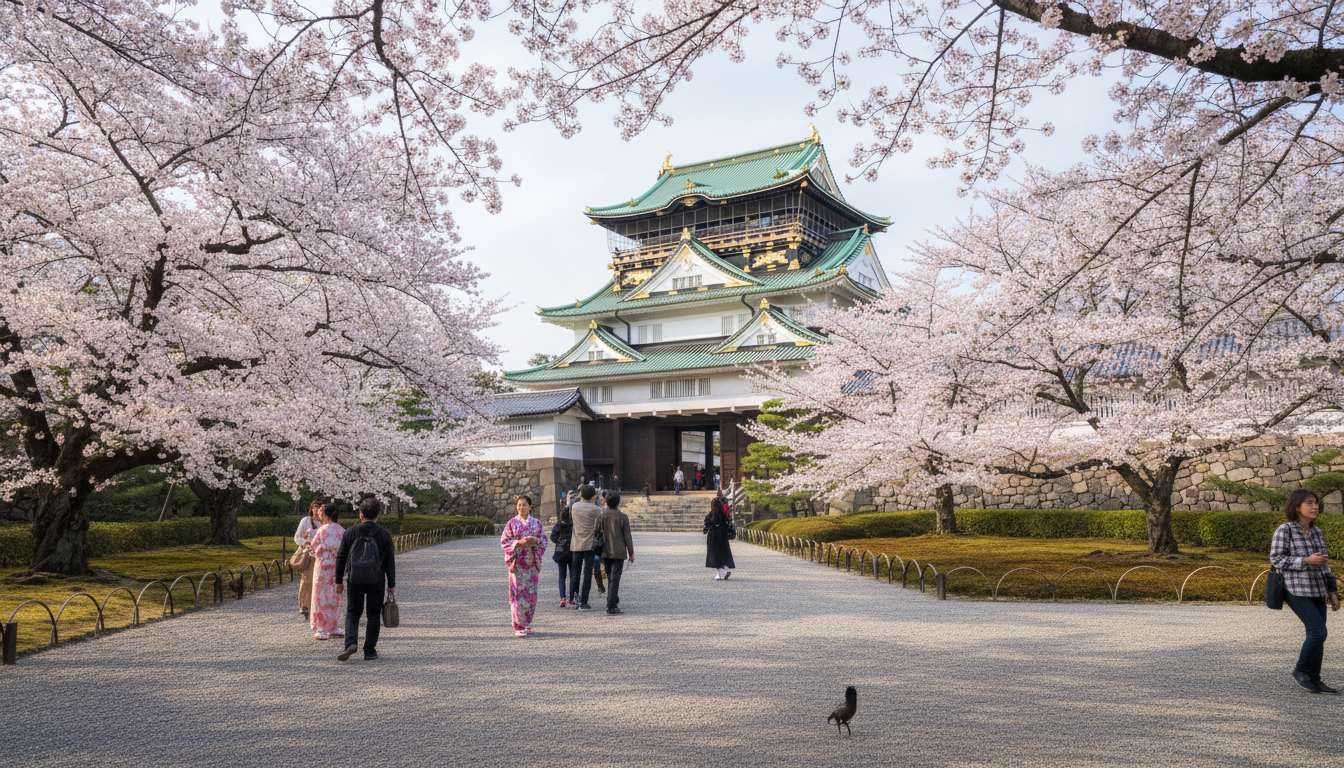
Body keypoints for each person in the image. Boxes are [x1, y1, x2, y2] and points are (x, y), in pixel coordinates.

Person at [1271, 488, 1340, 693]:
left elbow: (1325, 565)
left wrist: (1333, 593)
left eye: (1316, 502)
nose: (1315, 506)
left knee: (1319, 634)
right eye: (1309, 503)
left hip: (1317, 590)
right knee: (1318, 632)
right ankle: (1301, 671)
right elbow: (1276, 559)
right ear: (1296, 506)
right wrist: (1306, 560)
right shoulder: (1285, 530)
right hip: (1295, 589)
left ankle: (1315, 678)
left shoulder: (1317, 531)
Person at [335, 498, 396, 661]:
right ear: (378, 514)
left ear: (360, 514)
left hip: (354, 578)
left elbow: (341, 557)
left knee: (353, 612)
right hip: (376, 579)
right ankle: (369, 650)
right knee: (373, 614)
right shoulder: (384, 534)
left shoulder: (350, 532)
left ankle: (350, 644)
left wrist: (338, 580)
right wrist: (391, 584)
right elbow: (390, 561)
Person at [500, 494, 548, 637]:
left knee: (531, 595)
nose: (521, 507)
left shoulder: (537, 523)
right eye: (519, 505)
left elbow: (544, 541)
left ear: (530, 506)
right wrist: (518, 543)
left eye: (524, 505)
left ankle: (526, 622)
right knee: (517, 594)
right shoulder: (511, 524)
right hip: (517, 564)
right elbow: (505, 541)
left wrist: (534, 542)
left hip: (531, 563)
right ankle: (517, 625)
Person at [308, 503, 346, 640]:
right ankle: (333, 626)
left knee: (320, 596)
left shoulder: (321, 530)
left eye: (321, 511)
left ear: (326, 514)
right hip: (336, 567)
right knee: (334, 596)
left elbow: (313, 550)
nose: (318, 512)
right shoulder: (341, 530)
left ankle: (321, 628)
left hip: (323, 567)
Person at [595, 492, 635, 615]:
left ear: (606, 502)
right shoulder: (623, 517)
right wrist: (631, 552)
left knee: (610, 576)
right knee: (614, 578)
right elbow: (627, 536)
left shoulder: (601, 516)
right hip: (618, 551)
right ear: (618, 502)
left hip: (605, 551)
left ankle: (613, 599)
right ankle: (611, 605)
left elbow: (596, 533)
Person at [568, 485, 602, 610]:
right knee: (587, 573)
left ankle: (573, 597)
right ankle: (584, 601)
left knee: (575, 573)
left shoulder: (574, 507)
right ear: (593, 496)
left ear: (581, 494)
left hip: (576, 543)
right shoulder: (596, 510)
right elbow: (600, 526)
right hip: (590, 545)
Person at [293, 499, 323, 621]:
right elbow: (297, 537)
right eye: (314, 507)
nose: (316, 510)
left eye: (319, 507)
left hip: (321, 554)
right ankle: (305, 606)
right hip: (309, 554)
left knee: (320, 581)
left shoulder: (325, 523)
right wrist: (306, 542)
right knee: (307, 580)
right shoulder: (306, 521)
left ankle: (318, 607)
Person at [703, 496, 736, 580]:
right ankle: (720, 572)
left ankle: (722, 571)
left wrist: (706, 529)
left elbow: (707, 524)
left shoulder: (712, 515)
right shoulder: (723, 515)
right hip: (722, 535)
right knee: (722, 553)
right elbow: (728, 522)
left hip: (713, 536)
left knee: (714, 555)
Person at [551, 506, 574, 607]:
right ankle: (572, 597)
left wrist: (559, 542)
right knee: (573, 575)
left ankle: (563, 597)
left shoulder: (559, 524)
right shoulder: (573, 525)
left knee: (562, 576)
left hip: (560, 552)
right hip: (572, 552)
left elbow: (552, 536)